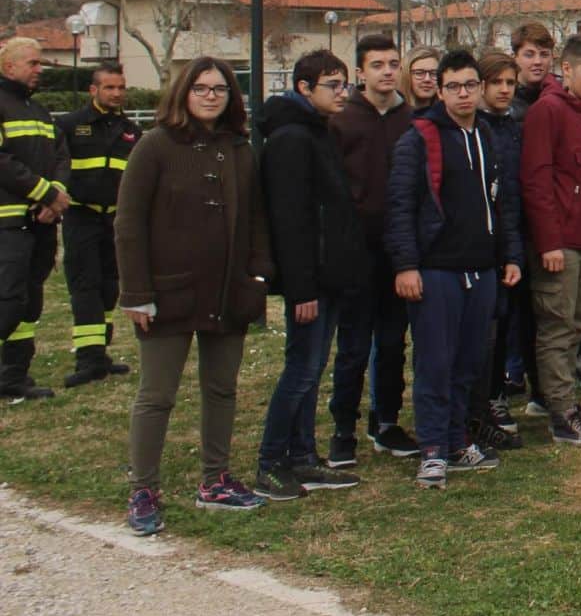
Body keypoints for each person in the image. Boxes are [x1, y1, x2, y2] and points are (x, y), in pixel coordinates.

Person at [116, 59, 273, 534]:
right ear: (184, 93)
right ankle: (143, 487)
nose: (210, 96)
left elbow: (256, 218)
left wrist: (260, 274)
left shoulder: (239, 149)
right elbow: (128, 223)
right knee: (157, 394)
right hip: (168, 292)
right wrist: (137, 293)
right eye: (201, 88)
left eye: (220, 89)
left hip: (228, 290)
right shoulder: (154, 146)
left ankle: (216, 479)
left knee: (222, 387)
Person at [387, 50, 523, 488]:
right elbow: (401, 207)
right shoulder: (419, 138)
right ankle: (432, 449)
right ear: (440, 90)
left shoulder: (486, 135)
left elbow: (500, 204)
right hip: (436, 269)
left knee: (470, 362)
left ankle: (457, 438)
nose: (463, 93)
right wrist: (407, 266)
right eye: (454, 86)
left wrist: (510, 256)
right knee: (435, 361)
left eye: (470, 85)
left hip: (481, 268)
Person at [255, 50, 367, 502]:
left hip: (331, 273)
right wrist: (301, 287)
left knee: (313, 367)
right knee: (300, 370)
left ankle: (303, 455)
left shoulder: (317, 131)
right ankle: (271, 461)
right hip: (310, 280)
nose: (342, 93)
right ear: (304, 88)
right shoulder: (290, 139)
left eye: (343, 84)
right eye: (332, 85)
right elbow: (292, 221)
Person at [521, 34, 581, 447]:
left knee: (578, 325)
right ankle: (560, 412)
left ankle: (568, 403)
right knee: (557, 327)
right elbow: (536, 180)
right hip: (562, 243)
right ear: (568, 70)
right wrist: (549, 243)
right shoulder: (548, 111)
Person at [326, 33, 417, 464]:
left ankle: (386, 421)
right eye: (377, 64)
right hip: (354, 250)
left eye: (392, 63)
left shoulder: (411, 120)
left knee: (393, 340)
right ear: (360, 72)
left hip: (399, 250)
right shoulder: (342, 120)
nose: (386, 71)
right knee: (353, 345)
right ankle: (343, 427)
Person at [56, 62, 138, 387]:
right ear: (94, 90)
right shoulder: (70, 125)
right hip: (81, 215)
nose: (116, 93)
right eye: (109, 87)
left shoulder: (131, 130)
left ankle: (99, 353)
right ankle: (88, 360)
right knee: (85, 286)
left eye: (120, 87)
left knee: (108, 287)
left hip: (114, 219)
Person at [0, 37, 70, 400]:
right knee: (7, 299)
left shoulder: (40, 112)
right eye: (33, 63)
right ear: (9, 67)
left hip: (42, 222)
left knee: (30, 302)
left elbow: (61, 156)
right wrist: (45, 193)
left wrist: (55, 197)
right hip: (8, 224)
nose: (39, 70)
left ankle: (14, 374)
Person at [472, 51, 529, 451]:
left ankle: (494, 398)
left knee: (508, 323)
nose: (505, 90)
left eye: (510, 83)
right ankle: (478, 408)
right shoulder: (474, 129)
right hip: (480, 243)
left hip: (515, 236)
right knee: (485, 331)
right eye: (497, 83)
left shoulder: (515, 125)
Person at [507, 23, 556, 121]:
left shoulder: (564, 93)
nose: (537, 61)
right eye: (529, 55)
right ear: (514, 58)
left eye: (544, 54)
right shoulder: (504, 98)